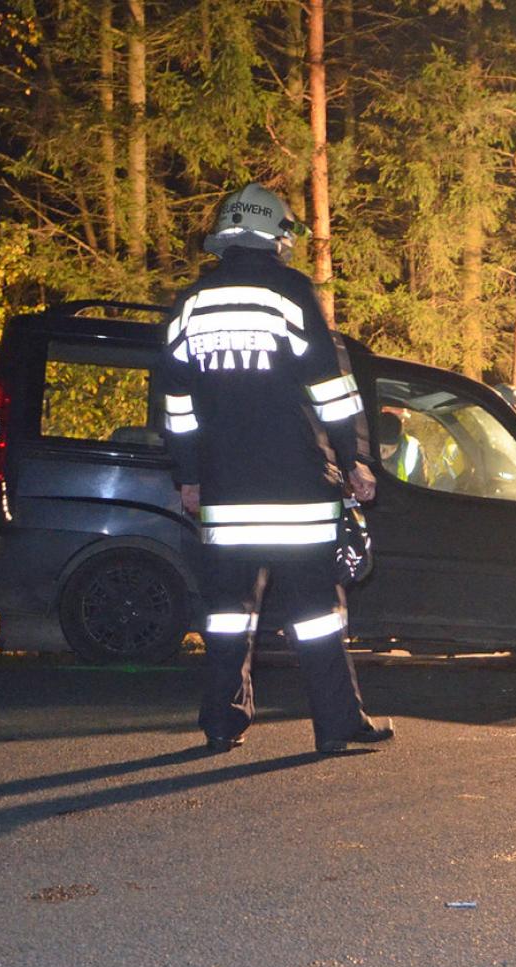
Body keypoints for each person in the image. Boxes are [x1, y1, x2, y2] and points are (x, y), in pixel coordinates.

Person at [159, 182, 394, 755]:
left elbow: (175, 405)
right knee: (315, 615)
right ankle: (337, 724)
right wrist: (354, 459)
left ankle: (221, 723)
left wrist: (188, 477)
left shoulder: (189, 304)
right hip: (296, 489)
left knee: (226, 617)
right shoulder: (290, 294)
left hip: (224, 491)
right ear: (276, 236)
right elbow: (331, 390)